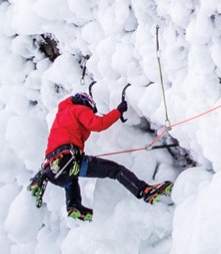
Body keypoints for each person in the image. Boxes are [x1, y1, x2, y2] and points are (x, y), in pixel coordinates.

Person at [29, 88, 171, 221]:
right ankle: (145, 191)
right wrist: (118, 111)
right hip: (69, 160)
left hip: (53, 169)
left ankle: (73, 205)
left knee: (70, 179)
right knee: (116, 171)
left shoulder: (60, 116)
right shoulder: (79, 109)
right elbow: (98, 124)